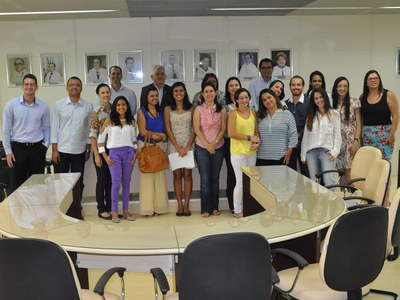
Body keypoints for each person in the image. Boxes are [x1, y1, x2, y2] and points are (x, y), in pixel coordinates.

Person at [51, 76, 93, 219]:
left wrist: (88, 149)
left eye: (77, 85)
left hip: (79, 150)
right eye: (71, 85)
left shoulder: (88, 107)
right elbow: (55, 128)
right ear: (67, 88)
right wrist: (54, 150)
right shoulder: (59, 105)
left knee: (77, 182)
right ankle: (60, 209)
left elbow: (89, 130)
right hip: (61, 150)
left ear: (81, 88)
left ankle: (76, 209)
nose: (74, 87)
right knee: (60, 181)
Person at [2, 74, 50, 193]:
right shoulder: (11, 105)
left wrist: (45, 146)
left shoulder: (43, 106)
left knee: (37, 184)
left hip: (37, 149)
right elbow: (6, 129)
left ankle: (36, 210)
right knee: (17, 185)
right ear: (23, 86)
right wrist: (8, 151)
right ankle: (18, 211)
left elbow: (46, 128)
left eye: (32, 84)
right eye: (26, 84)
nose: (29, 87)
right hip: (18, 149)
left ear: (36, 87)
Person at [360, 70, 399, 207]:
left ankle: (385, 199)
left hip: (385, 138)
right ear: (366, 81)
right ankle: (372, 199)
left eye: (376, 78)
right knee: (371, 170)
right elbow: (361, 120)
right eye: (370, 78)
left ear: (379, 79)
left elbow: (395, 116)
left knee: (385, 169)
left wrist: (392, 134)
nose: (373, 80)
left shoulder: (389, 95)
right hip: (367, 138)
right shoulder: (362, 98)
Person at [98, 96, 137, 223]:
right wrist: (105, 156)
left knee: (126, 182)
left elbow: (134, 139)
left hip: (129, 153)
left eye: (124, 104)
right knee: (116, 183)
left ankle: (126, 209)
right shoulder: (109, 121)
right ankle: (114, 211)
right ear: (115, 106)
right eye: (119, 105)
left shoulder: (131, 121)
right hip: (114, 154)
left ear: (127, 106)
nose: (121, 107)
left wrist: (135, 154)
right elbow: (100, 141)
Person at [193, 83, 226, 218]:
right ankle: (205, 209)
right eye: (206, 91)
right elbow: (196, 129)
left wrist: (215, 143)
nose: (209, 94)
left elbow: (223, 129)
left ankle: (214, 207)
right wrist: (207, 145)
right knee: (205, 179)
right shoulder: (198, 109)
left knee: (215, 178)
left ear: (216, 93)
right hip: (202, 147)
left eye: (211, 91)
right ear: (202, 94)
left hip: (218, 147)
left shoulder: (222, 109)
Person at [164, 82, 195, 217]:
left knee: (188, 175)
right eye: (176, 91)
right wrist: (177, 148)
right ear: (172, 93)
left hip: (189, 146)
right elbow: (168, 129)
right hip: (174, 146)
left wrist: (187, 147)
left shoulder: (192, 108)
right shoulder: (167, 109)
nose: (178, 93)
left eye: (181, 90)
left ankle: (187, 205)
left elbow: (194, 128)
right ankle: (179, 205)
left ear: (185, 92)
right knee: (177, 176)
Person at [228, 88, 259, 218]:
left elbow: (256, 132)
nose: (244, 100)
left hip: (251, 152)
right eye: (241, 98)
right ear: (236, 100)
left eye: (246, 97)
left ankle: (247, 206)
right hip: (238, 152)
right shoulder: (233, 114)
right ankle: (237, 209)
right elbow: (231, 133)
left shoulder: (252, 112)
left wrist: (257, 141)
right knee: (240, 182)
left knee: (250, 182)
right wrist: (249, 138)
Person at [137, 86, 169, 216]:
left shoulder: (161, 112)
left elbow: (165, 131)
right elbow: (143, 131)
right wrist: (158, 135)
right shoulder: (141, 111)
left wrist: (163, 136)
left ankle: (160, 208)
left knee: (160, 177)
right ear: (146, 98)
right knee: (147, 177)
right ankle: (147, 209)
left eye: (156, 96)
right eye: (152, 96)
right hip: (145, 147)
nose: (154, 98)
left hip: (159, 147)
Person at [301, 88, 342, 186]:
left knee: (329, 182)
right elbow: (306, 137)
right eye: (316, 98)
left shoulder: (334, 114)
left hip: (327, 153)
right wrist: (303, 154)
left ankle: (331, 202)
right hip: (311, 153)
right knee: (314, 183)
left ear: (325, 98)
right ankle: (317, 201)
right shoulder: (311, 115)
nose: (319, 100)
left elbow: (337, 135)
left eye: (321, 97)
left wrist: (335, 151)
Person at [331, 76, 362, 183]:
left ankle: (352, 197)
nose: (342, 88)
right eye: (339, 86)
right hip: (337, 142)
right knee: (340, 172)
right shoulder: (331, 103)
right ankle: (344, 197)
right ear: (335, 88)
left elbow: (358, 122)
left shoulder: (355, 102)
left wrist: (356, 141)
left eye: (345, 86)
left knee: (349, 172)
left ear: (348, 88)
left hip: (350, 141)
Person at [89, 83, 113, 220]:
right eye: (102, 93)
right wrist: (96, 154)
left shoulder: (115, 109)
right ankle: (101, 209)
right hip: (100, 149)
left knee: (111, 181)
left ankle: (110, 208)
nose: (106, 95)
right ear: (98, 95)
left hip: (113, 149)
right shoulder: (96, 112)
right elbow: (93, 135)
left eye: (107, 92)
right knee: (102, 180)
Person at [257, 89, 297, 166]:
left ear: (275, 98)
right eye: (264, 100)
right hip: (262, 158)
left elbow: (293, 135)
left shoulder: (287, 114)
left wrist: (288, 153)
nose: (268, 101)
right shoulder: (259, 116)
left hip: (281, 157)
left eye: (269, 97)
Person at [223, 76, 242, 213]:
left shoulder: (249, 105)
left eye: (236, 84)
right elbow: (224, 130)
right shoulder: (225, 108)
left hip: (247, 145)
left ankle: (245, 203)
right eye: (231, 85)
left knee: (245, 175)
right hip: (230, 144)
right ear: (227, 89)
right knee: (233, 174)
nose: (234, 87)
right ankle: (233, 205)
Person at [285, 75, 310, 176]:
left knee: (307, 174)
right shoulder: (285, 104)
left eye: (298, 85)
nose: (296, 87)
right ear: (290, 86)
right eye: (293, 85)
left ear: (303, 86)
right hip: (290, 146)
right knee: (290, 174)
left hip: (306, 144)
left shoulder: (310, 103)